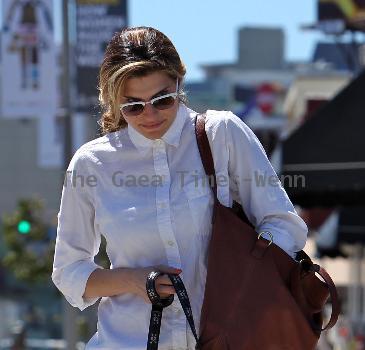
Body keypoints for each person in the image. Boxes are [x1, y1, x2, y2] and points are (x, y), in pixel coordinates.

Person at [52, 26, 308, 350]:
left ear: (179, 83)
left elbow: (284, 224)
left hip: (225, 340)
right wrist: (133, 281)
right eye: (133, 106)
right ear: (113, 100)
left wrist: (244, 273)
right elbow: (69, 271)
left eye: (163, 99)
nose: (150, 115)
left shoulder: (221, 135)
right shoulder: (92, 164)